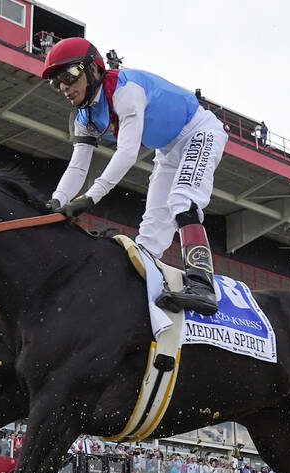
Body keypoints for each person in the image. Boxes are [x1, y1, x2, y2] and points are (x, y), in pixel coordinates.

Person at [41, 37, 226, 315]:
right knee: (150, 231)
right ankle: (137, 292)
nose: (64, 87)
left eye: (69, 75)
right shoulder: (84, 117)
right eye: (57, 82)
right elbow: (78, 167)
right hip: (167, 150)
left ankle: (202, 286)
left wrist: (89, 199)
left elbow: (127, 154)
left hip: (200, 131)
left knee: (182, 201)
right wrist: (56, 202)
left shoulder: (126, 91)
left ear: (94, 70)